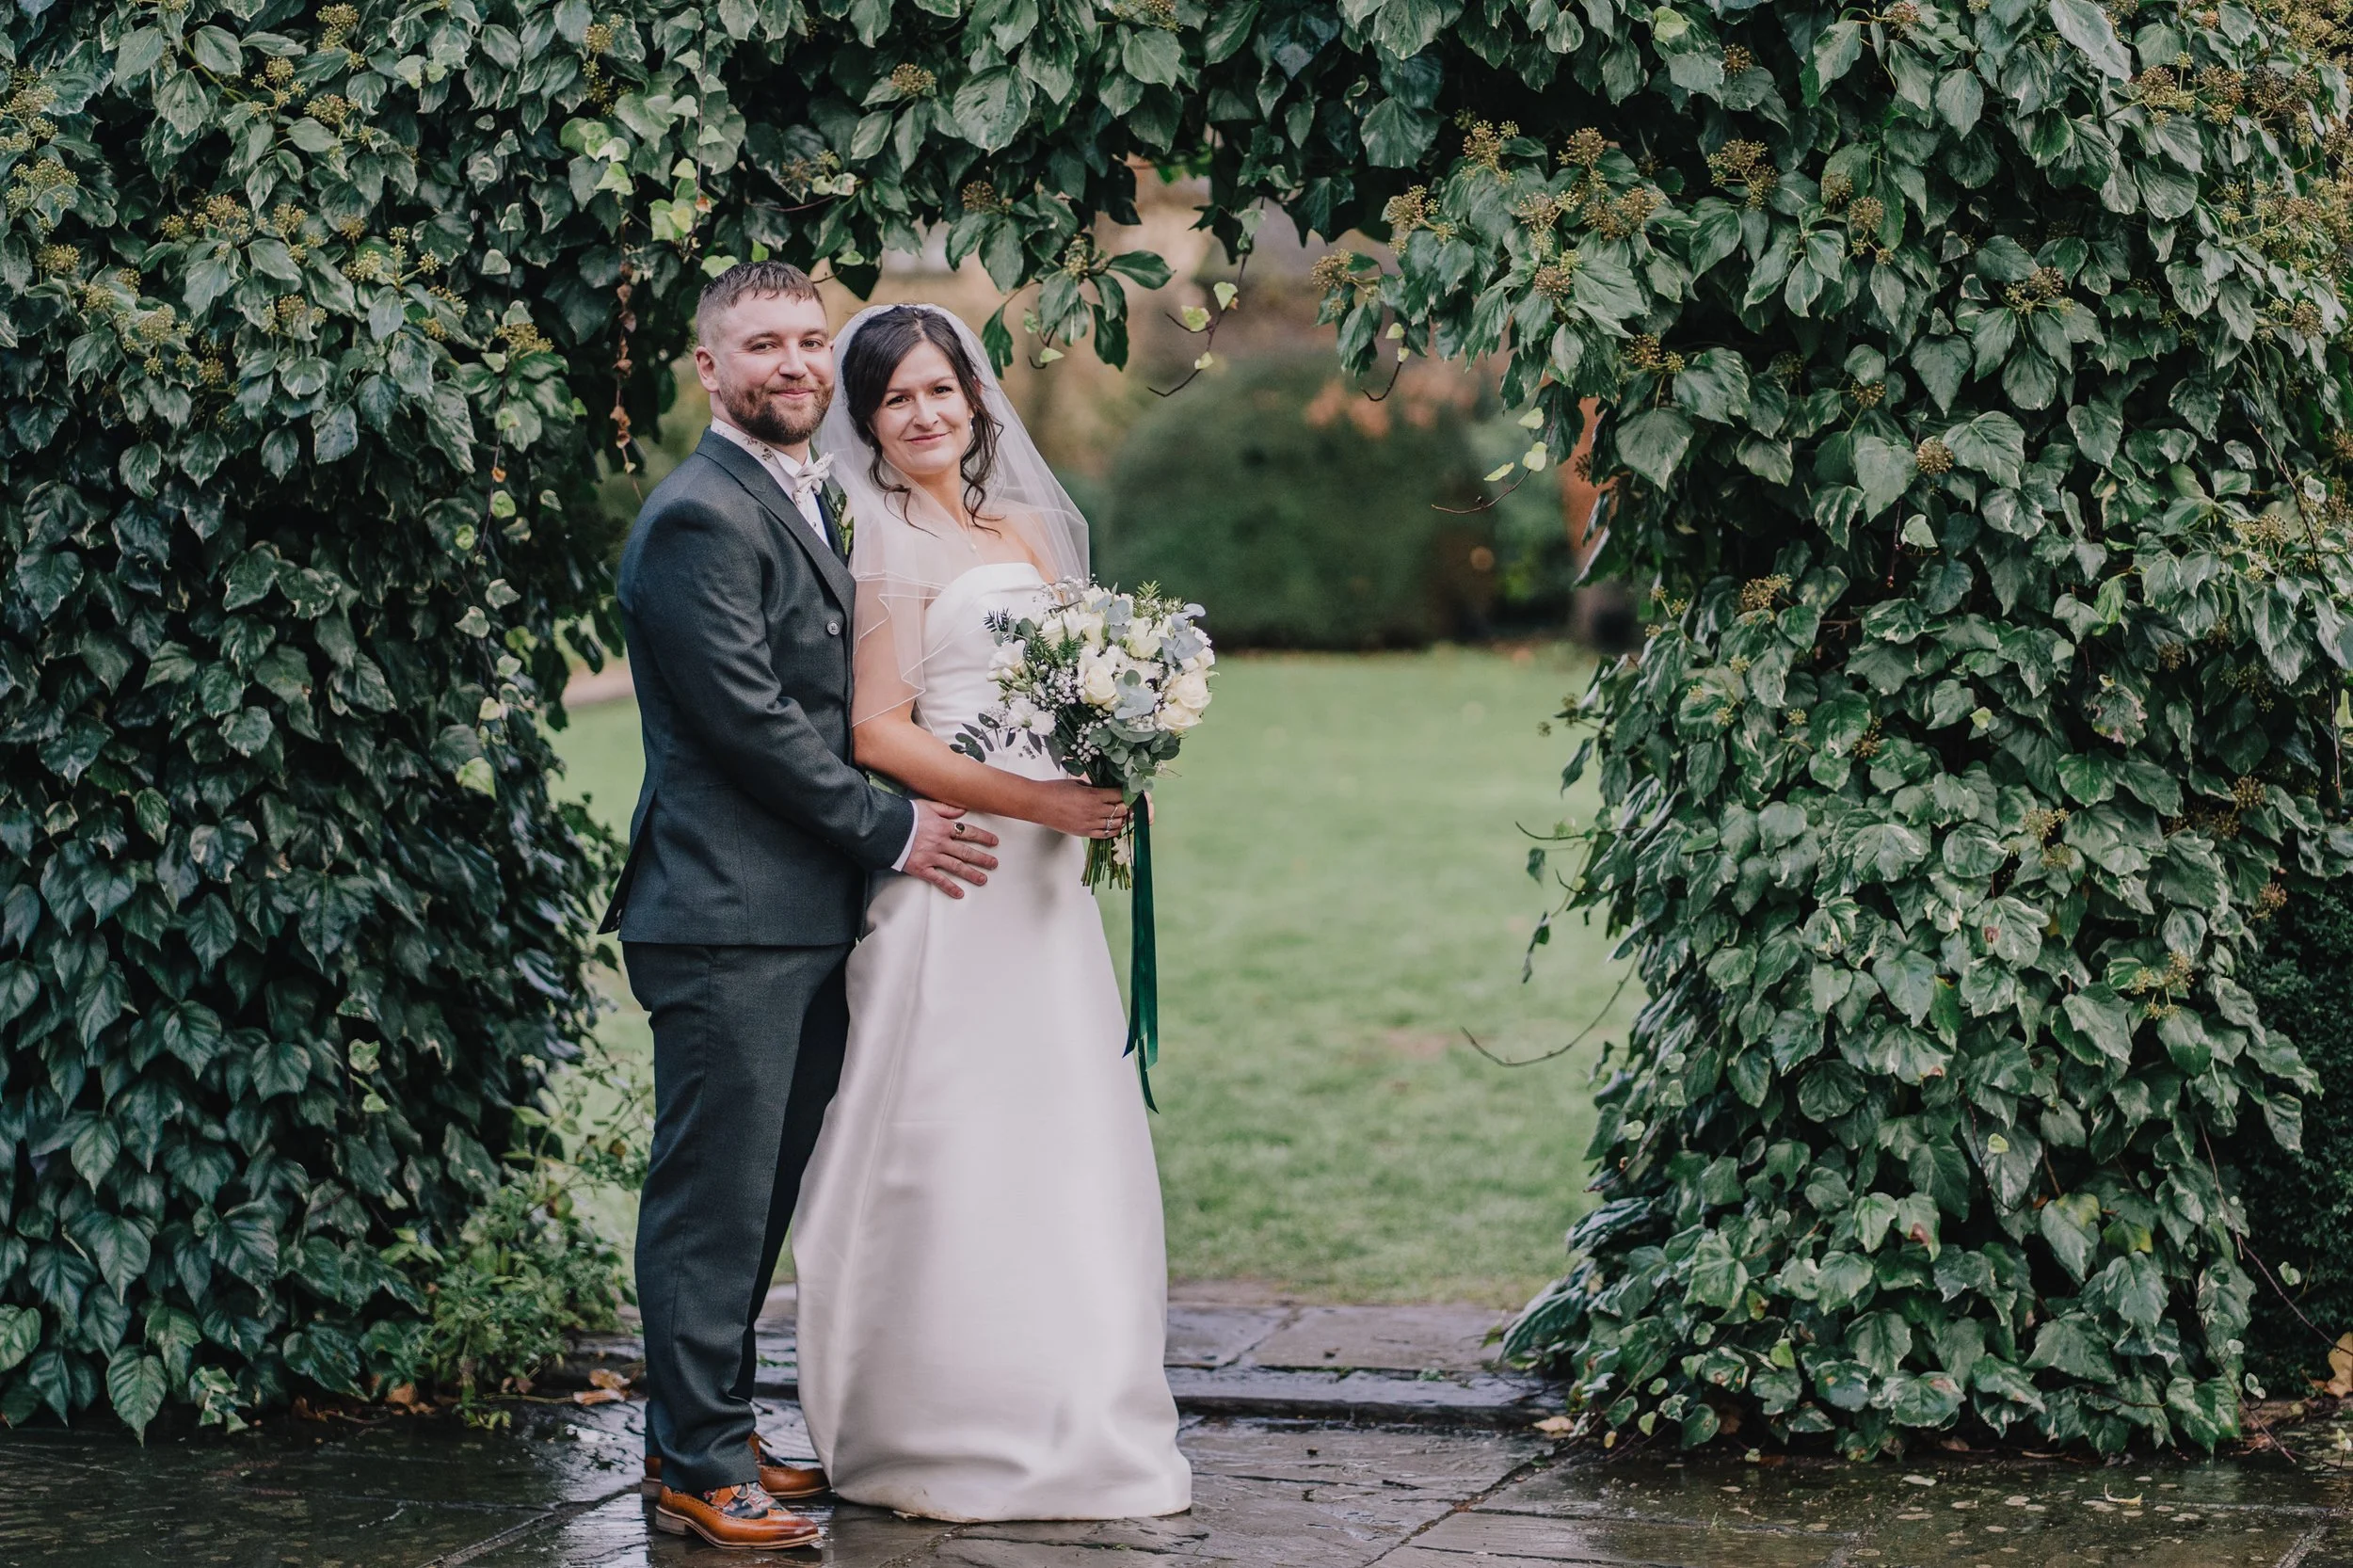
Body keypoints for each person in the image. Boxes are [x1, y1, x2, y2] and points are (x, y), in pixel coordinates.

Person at [599, 264, 1004, 1550]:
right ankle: (692, 1461)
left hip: (796, 911)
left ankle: (710, 1427)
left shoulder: (801, 491)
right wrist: (894, 825)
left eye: (809, 340)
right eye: (761, 343)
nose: (792, 361)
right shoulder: (694, 517)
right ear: (708, 369)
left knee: (759, 1191)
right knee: (713, 1197)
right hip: (722, 915)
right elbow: (754, 726)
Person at [789, 302, 1194, 1522]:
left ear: (974, 398)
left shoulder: (1023, 527)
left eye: (941, 390)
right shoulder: (878, 540)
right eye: (896, 397)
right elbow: (878, 730)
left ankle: (1074, 1403)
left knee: (1062, 1127)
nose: (924, 413)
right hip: (959, 867)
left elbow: (1073, 687)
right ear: (867, 418)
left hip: (1048, 884)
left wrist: (1119, 757)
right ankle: (936, 1417)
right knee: (950, 1138)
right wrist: (1037, 800)